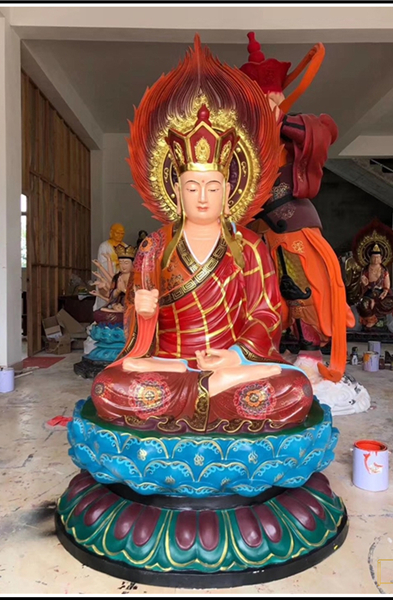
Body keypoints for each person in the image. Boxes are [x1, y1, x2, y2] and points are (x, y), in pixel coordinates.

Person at [89, 37, 314, 435]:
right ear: (176, 192)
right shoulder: (154, 247)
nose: (203, 197)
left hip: (232, 365)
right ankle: (210, 391)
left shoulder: (250, 247)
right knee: (109, 387)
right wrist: (142, 312)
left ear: (229, 190)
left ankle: (216, 385)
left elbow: (267, 313)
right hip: (170, 366)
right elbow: (136, 329)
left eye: (212, 187)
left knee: (296, 388)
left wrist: (236, 356)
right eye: (192, 187)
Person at [239, 32, 354, 383]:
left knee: (299, 287)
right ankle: (265, 347)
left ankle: (309, 352)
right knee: (260, 291)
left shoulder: (294, 131)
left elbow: (325, 131)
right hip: (257, 231)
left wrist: (282, 121)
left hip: (292, 226)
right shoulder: (245, 144)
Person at [357, 244, 393, 328]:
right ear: (370, 258)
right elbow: (362, 282)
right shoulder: (366, 269)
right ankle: (371, 320)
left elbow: (387, 284)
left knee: (389, 302)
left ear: (381, 258)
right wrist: (363, 282)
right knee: (365, 303)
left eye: (377, 257)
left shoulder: (384, 270)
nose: (375, 259)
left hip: (380, 292)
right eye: (374, 257)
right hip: (369, 292)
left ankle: (383, 321)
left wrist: (385, 291)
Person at [93, 223, 127, 310]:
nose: (120, 235)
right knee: (106, 302)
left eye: (122, 233)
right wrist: (116, 264)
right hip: (108, 281)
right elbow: (103, 264)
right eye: (117, 233)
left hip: (121, 281)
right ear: (111, 233)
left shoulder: (126, 247)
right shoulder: (104, 246)